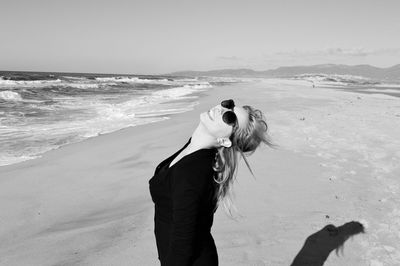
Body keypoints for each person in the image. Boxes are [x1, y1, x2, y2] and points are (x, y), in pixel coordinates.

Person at [149, 99, 273, 266]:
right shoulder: (194, 146)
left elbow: (182, 245)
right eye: (228, 105)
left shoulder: (191, 173)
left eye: (229, 117)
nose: (222, 109)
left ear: (225, 141)